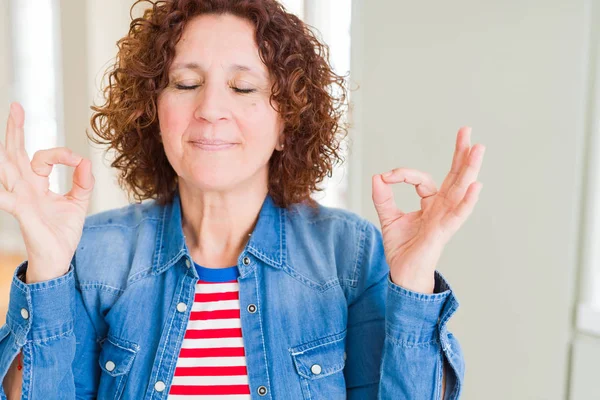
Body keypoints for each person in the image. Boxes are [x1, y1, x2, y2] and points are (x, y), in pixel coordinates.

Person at [0, 0, 484, 398]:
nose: (210, 109)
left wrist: (417, 278)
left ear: (286, 121)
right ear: (153, 111)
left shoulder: (350, 254)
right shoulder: (94, 253)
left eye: (243, 87)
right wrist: (46, 267)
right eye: (186, 84)